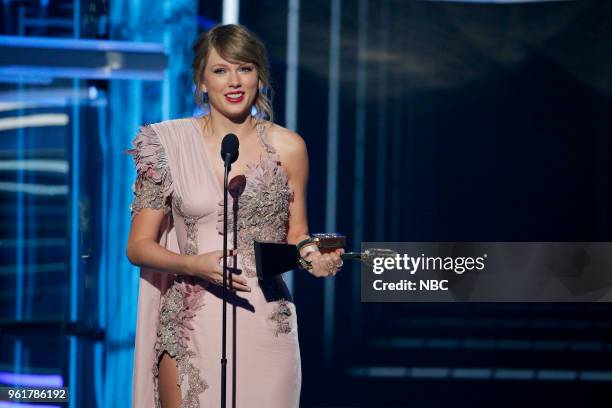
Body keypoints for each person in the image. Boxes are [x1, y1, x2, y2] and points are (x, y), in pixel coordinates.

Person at [126, 24, 343, 408]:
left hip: (265, 322)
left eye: (244, 68)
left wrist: (315, 258)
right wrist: (194, 263)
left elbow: (298, 236)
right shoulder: (165, 144)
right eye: (220, 70)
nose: (234, 81)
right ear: (201, 80)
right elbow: (139, 247)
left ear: (259, 75)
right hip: (192, 325)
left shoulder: (289, 147)